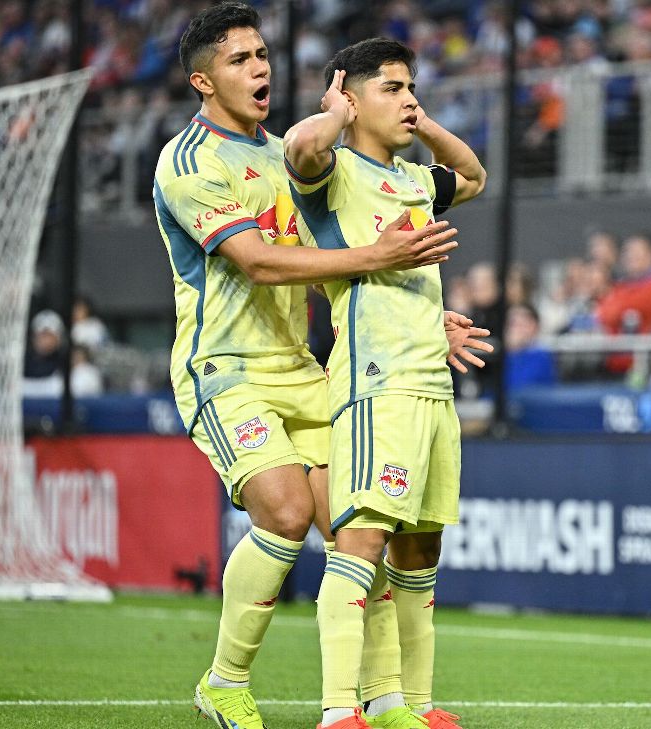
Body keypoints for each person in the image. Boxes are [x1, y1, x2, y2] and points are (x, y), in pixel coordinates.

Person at [154, 8, 483, 729]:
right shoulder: (189, 162)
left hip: (302, 367)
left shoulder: (290, 156)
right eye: (240, 59)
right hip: (223, 368)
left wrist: (420, 316)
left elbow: (331, 257)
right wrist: (379, 257)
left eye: (262, 54)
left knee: (357, 525)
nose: (260, 68)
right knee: (285, 510)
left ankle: (384, 700)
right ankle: (224, 680)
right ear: (204, 81)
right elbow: (259, 261)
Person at [283, 37, 486, 729]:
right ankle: (339, 709)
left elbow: (473, 175)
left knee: (420, 551)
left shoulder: (415, 181)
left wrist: (423, 124)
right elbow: (299, 148)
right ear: (351, 97)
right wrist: (335, 114)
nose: (408, 100)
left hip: (432, 384)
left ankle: (410, 707)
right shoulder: (334, 171)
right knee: (361, 544)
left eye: (412, 88)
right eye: (392, 89)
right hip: (376, 386)